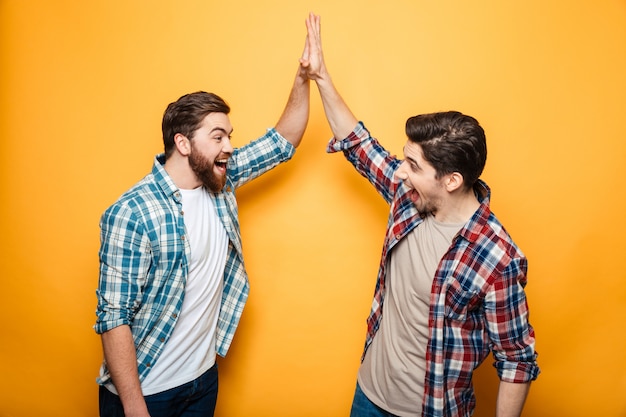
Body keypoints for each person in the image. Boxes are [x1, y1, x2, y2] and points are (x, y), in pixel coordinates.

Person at [300, 13, 539, 417]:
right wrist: (321, 76)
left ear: (450, 180)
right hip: (368, 396)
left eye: (412, 164)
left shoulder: (498, 258)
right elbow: (359, 143)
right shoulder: (407, 197)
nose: (400, 169)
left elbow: (516, 359)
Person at [94, 36, 311, 416]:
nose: (228, 146)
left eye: (229, 136)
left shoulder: (218, 181)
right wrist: (134, 407)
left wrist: (303, 78)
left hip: (202, 380)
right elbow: (114, 320)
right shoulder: (131, 213)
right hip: (148, 393)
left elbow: (283, 140)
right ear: (182, 143)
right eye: (218, 137)